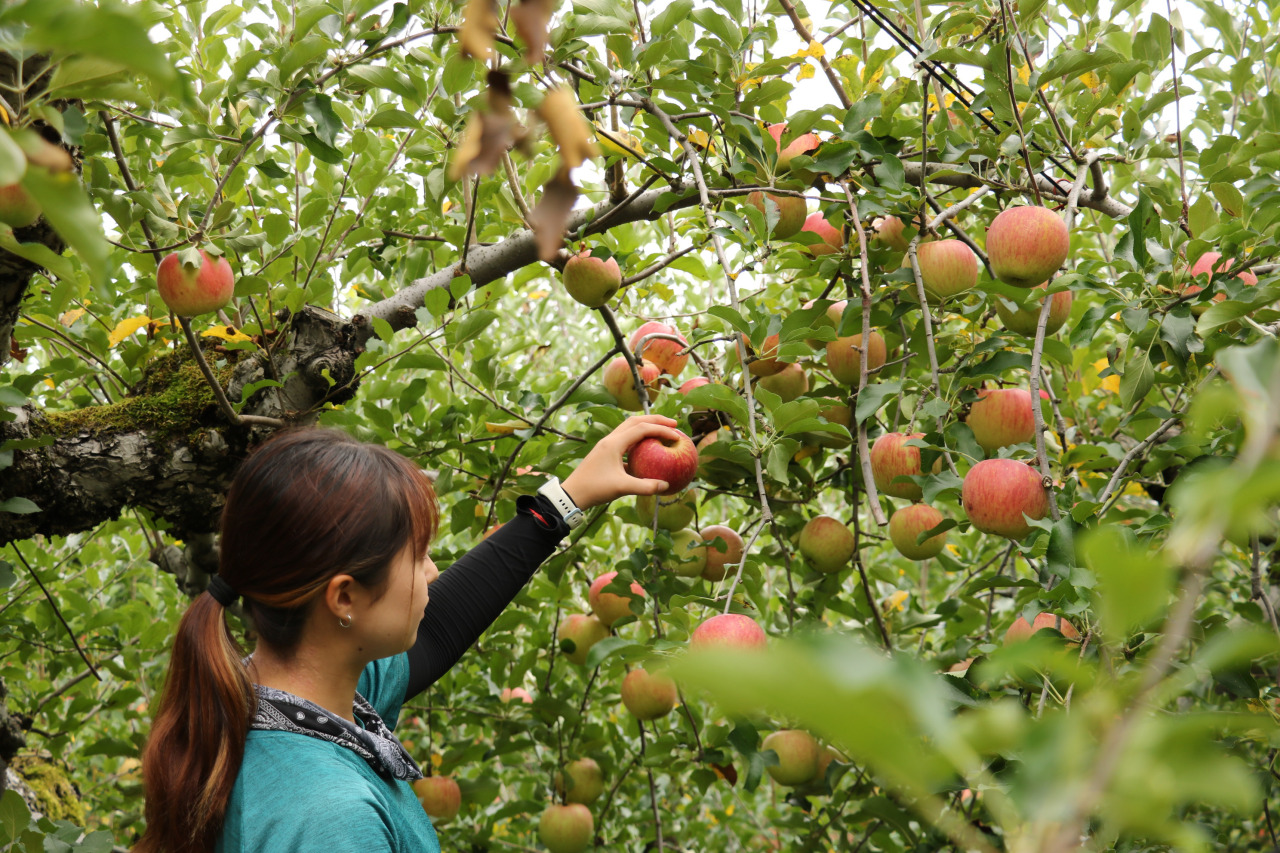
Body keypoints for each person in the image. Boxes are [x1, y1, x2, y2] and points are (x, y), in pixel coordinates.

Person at [135, 415, 683, 853]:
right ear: (344, 598)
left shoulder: (274, 703)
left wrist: (561, 503)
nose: (432, 573)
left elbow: (437, 630)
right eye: (417, 556)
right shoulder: (331, 819)